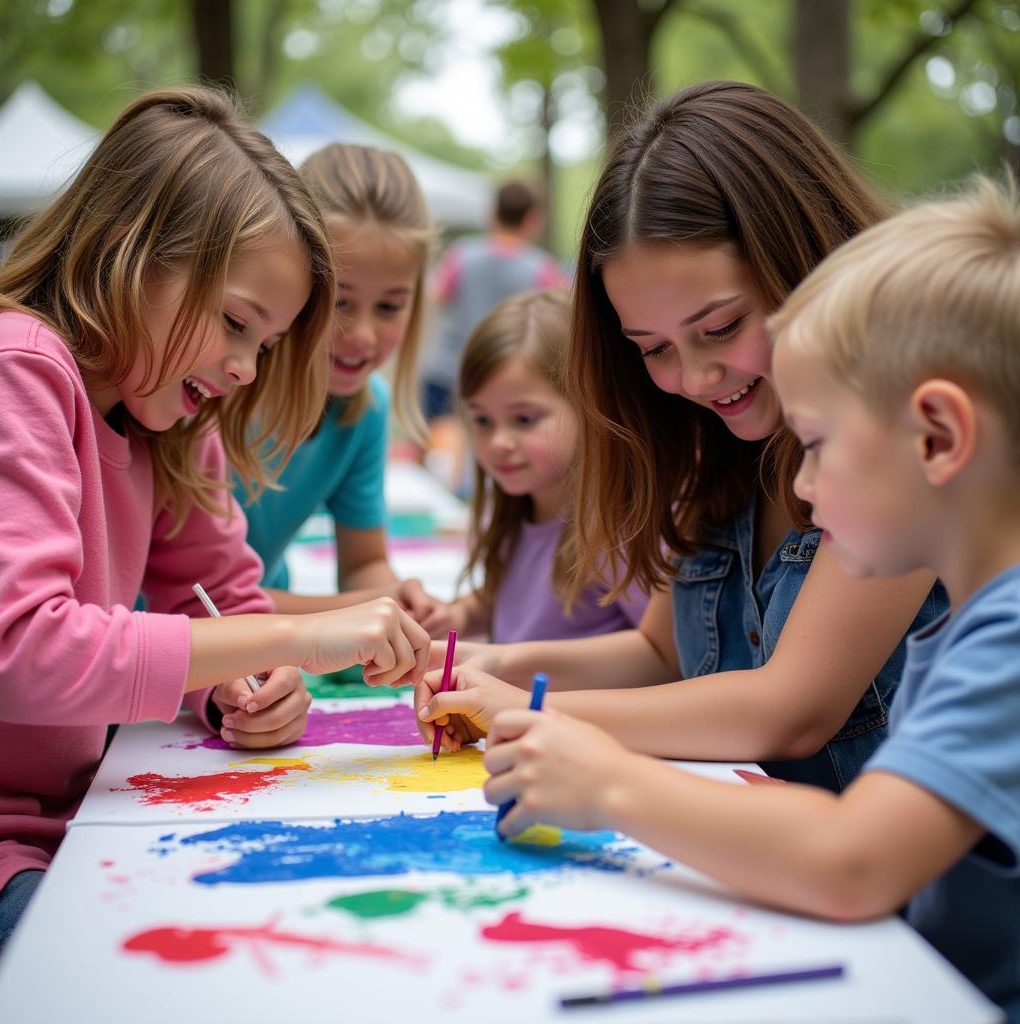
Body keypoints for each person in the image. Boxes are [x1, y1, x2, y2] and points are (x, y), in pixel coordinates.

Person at [481, 177, 1020, 1021]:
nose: (800, 480)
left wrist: (612, 785)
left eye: (816, 443)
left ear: (938, 437)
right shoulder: (976, 620)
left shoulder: (1009, 635)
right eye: (652, 347)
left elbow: (854, 862)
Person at [415, 81, 947, 791]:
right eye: (652, 348)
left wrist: (531, 709)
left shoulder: (903, 437)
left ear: (805, 262)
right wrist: (496, 665)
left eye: (721, 327)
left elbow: (792, 710)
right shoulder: (710, 439)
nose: (695, 379)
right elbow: (660, 654)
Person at [0, 87, 429, 959]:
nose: (241, 368)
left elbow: (226, 603)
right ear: (130, 252)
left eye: (264, 346)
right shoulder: (21, 369)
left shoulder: (172, 420)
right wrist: (306, 644)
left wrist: (251, 688)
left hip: (92, 820)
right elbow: (23, 652)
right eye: (236, 323)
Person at [234, 143, 453, 636]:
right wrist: (355, 609)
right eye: (340, 302)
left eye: (391, 307)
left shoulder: (365, 409)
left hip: (268, 640)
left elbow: (363, 563)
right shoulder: (221, 387)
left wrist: (397, 599)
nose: (364, 337)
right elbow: (201, 598)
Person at [443, 288, 651, 641]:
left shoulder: (614, 531)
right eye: (482, 420)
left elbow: (659, 652)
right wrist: (457, 615)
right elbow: (508, 600)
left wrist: (502, 663)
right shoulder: (517, 506)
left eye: (524, 419)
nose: (498, 442)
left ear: (589, 406)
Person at [419, 179, 569, 491]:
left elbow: (436, 298)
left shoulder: (461, 256)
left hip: (449, 367)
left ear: (492, 213)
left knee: (446, 447)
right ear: (533, 219)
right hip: (512, 381)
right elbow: (561, 317)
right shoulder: (543, 268)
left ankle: (446, 503)